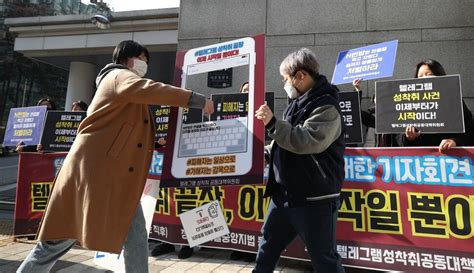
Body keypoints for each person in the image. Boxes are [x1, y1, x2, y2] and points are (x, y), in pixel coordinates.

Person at [17, 40, 214, 273]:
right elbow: (149, 89)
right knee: (59, 238)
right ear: (124, 58)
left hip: (110, 176)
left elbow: (125, 130)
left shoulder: (120, 83)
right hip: (96, 173)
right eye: (141, 58)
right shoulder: (119, 76)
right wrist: (197, 100)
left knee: (135, 234)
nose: (144, 64)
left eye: (146, 61)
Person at [253, 48, 345, 273]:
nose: (286, 84)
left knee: (324, 259)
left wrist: (273, 124)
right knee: (267, 247)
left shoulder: (327, 106)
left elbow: (306, 140)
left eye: (286, 78)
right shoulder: (298, 102)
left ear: (300, 76)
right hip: (284, 194)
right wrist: (262, 153)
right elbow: (283, 142)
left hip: (315, 198)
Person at [402, 59, 474, 151]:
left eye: (429, 75)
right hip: (418, 159)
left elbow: (470, 131)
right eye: (420, 76)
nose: (424, 79)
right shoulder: (407, 103)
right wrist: (408, 137)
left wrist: (454, 141)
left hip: (448, 158)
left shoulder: (454, 100)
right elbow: (398, 138)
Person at [352, 79, 401, 147]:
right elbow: (355, 112)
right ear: (374, 100)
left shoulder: (398, 116)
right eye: (377, 96)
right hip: (372, 153)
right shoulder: (371, 114)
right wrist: (357, 90)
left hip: (391, 153)